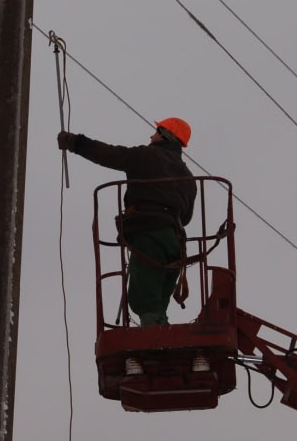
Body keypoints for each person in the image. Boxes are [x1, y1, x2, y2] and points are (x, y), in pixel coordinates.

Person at [57, 117, 197, 326]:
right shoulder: (188, 176)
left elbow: (109, 154)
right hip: (175, 241)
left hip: (149, 234)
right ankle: (161, 332)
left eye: (156, 132)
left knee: (144, 298)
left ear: (166, 135)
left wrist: (75, 142)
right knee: (158, 299)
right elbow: (186, 216)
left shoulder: (146, 156)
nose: (151, 136)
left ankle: (154, 340)